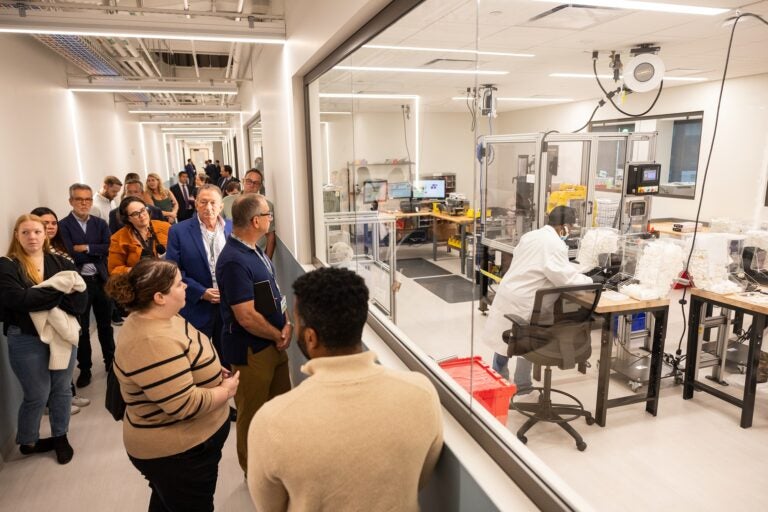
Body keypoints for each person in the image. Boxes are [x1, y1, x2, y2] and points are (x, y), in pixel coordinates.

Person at [247, 267, 443, 511]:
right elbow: (420, 478)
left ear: (311, 338)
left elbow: (270, 506)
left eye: (295, 322)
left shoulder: (271, 421)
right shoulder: (421, 394)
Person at [107, 259, 239, 512]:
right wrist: (226, 391)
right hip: (179, 453)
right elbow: (182, 404)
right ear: (159, 297)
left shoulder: (164, 316)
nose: (186, 287)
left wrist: (209, 369)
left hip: (188, 447)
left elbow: (184, 355)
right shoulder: (150, 340)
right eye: (179, 284)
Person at [0, 214, 88, 464]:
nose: (32, 237)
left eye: (37, 232)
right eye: (25, 232)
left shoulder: (60, 261)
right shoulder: (7, 265)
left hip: (62, 334)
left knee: (61, 389)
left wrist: (36, 296)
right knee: (37, 393)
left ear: (46, 234)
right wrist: (58, 295)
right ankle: (28, 440)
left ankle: (60, 436)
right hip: (25, 336)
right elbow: (16, 301)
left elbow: (80, 302)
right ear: (16, 235)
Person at [482, 206, 594, 395]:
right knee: (526, 339)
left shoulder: (532, 236)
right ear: (564, 227)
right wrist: (591, 280)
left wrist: (569, 269)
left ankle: (499, 381)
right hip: (526, 300)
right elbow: (564, 278)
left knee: (507, 340)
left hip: (510, 291)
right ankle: (523, 386)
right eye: (570, 228)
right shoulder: (555, 243)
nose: (570, 232)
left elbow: (539, 264)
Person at [216, 193, 291, 474]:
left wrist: (286, 324)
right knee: (253, 414)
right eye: (268, 215)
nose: (271, 220)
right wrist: (276, 334)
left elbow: (271, 293)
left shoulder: (254, 249)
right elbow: (245, 316)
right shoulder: (235, 260)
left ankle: (276, 462)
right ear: (256, 220)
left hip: (272, 342)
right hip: (252, 350)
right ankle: (254, 471)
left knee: (278, 408)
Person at [30, 207, 91, 413]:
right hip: (54, 312)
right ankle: (55, 403)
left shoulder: (60, 247)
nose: (49, 227)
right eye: (44, 224)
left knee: (66, 357)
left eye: (53, 223)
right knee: (54, 359)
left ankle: (68, 395)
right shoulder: (37, 255)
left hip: (70, 308)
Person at [58, 184, 115, 388]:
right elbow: (70, 253)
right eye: (79, 199)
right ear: (71, 201)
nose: (84, 203)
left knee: (105, 325)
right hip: (78, 285)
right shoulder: (62, 226)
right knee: (81, 329)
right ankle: (86, 368)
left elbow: (109, 247)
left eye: (88, 199)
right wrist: (95, 251)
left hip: (100, 281)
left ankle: (110, 362)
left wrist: (87, 248)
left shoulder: (100, 223)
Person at [165, 184, 231, 357]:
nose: (208, 208)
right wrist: (201, 292)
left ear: (221, 205)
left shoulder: (232, 229)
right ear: (195, 204)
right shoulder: (178, 231)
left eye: (213, 203)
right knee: (196, 355)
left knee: (226, 355)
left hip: (228, 305)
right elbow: (173, 270)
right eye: (203, 202)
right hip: (196, 305)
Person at [108, 197, 170, 275]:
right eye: (135, 214)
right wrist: (136, 270)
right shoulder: (118, 238)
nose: (142, 215)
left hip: (168, 276)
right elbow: (114, 269)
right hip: (140, 282)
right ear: (127, 218)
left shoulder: (166, 227)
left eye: (143, 210)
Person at [222, 168, 275, 259]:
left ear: (260, 186)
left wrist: (268, 261)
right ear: (243, 181)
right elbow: (217, 228)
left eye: (256, 183)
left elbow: (270, 235)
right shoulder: (227, 201)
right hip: (232, 255)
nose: (252, 185)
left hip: (256, 256)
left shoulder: (267, 205)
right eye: (249, 181)